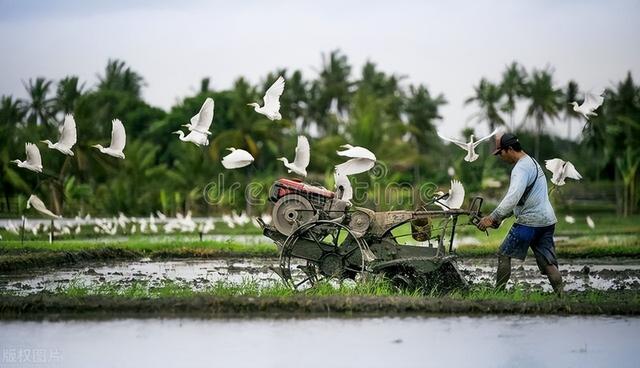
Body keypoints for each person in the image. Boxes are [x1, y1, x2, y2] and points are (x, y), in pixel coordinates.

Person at [477, 132, 563, 295]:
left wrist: (493, 217)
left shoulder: (521, 168)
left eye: (500, 152)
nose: (500, 157)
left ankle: (498, 294)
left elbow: (513, 197)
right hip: (547, 221)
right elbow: (523, 200)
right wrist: (499, 219)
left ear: (509, 149)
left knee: (503, 254)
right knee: (548, 263)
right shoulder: (532, 163)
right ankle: (562, 296)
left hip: (529, 223)